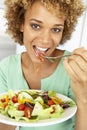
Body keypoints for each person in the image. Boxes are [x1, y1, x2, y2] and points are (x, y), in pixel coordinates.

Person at [0, 0, 87, 130]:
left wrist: (83, 97)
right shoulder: (7, 68)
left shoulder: (75, 70)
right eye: (36, 26)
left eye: (56, 29)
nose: (45, 40)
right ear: (21, 24)